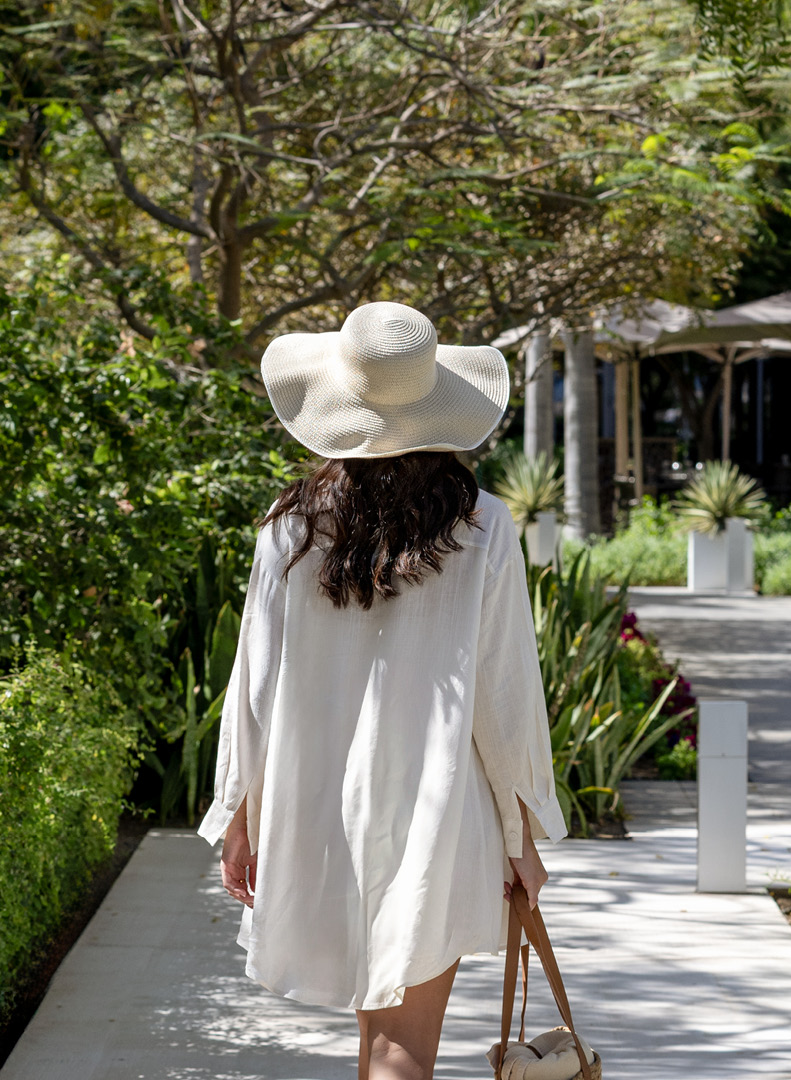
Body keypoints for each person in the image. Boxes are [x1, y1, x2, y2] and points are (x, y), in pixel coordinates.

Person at [196, 301, 567, 1080]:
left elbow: (253, 687)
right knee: (402, 1048)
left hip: (321, 808)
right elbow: (505, 695)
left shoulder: (287, 531)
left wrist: (238, 815)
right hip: (436, 810)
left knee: (380, 1045)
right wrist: (519, 830)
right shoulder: (482, 528)